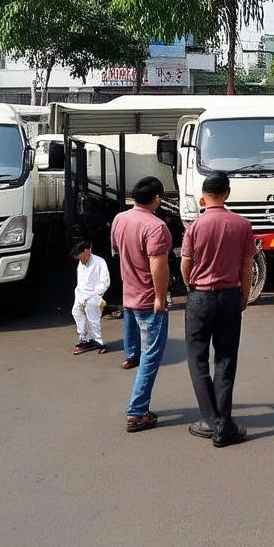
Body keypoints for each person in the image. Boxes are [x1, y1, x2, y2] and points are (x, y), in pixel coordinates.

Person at [180, 171, 256, 448]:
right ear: (227, 194)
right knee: (225, 359)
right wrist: (243, 296)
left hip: (199, 296)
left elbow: (185, 264)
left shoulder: (195, 226)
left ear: (204, 194)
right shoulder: (242, 225)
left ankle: (210, 421)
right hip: (229, 297)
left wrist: (193, 287)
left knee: (197, 359)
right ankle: (224, 424)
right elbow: (247, 266)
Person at [110, 176, 172, 433]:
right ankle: (137, 411)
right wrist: (160, 297)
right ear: (157, 199)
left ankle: (129, 355)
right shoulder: (156, 227)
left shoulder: (119, 219)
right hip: (148, 298)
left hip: (130, 293)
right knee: (151, 355)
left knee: (139, 346)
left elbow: (116, 250)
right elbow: (158, 265)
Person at [70, 240, 111, 355]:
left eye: (80, 256)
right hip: (81, 295)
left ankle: (98, 341)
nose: (80, 260)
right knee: (76, 312)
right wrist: (79, 298)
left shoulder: (99, 262)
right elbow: (81, 284)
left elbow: (104, 283)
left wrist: (90, 296)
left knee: (92, 314)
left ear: (87, 251)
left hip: (96, 296)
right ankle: (84, 339)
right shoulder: (81, 264)